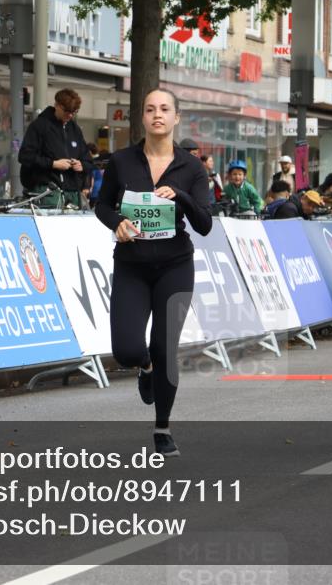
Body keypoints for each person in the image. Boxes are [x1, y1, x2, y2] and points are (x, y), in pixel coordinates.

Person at [95, 89, 212, 458]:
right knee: (127, 349)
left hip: (175, 266)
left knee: (165, 347)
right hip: (132, 264)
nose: (157, 115)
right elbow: (101, 204)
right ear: (142, 118)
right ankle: (143, 366)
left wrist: (181, 195)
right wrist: (117, 222)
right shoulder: (122, 161)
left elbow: (205, 224)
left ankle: (162, 428)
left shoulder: (192, 168)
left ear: (176, 117)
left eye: (164, 109)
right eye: (150, 109)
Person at [18, 88, 93, 207]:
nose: (70, 115)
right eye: (66, 111)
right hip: (47, 191)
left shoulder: (75, 129)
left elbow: (88, 160)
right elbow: (25, 156)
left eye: (74, 112)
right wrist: (53, 164)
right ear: (57, 105)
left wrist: (81, 165)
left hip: (72, 192)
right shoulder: (39, 126)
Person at [86, 142, 103, 209]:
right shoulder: (95, 163)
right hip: (99, 191)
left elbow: (91, 180)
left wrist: (89, 190)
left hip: (94, 192)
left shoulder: (90, 164)